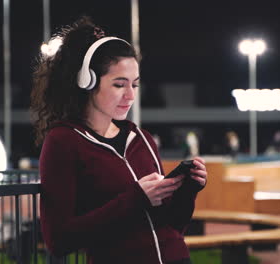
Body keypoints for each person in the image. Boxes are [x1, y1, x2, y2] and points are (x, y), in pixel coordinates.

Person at [30, 16, 207, 264]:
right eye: (119, 84)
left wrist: (187, 191)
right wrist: (136, 199)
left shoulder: (142, 138)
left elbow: (173, 226)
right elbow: (58, 240)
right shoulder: (64, 142)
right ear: (88, 81)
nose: (130, 95)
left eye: (134, 84)